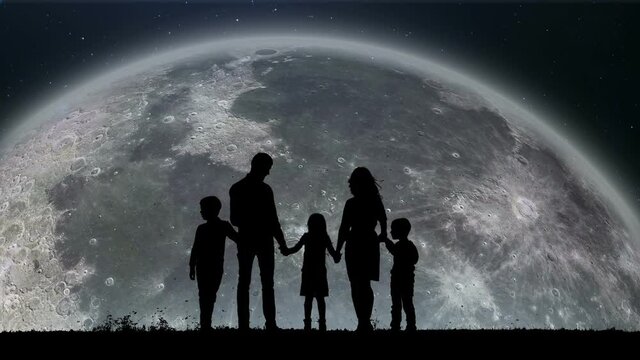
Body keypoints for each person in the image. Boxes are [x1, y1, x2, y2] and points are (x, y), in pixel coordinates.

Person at [229, 152, 287, 331]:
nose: (268, 173)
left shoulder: (237, 188)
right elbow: (273, 221)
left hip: (246, 239)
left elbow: (235, 219)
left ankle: (243, 325)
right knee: (267, 284)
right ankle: (270, 324)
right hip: (264, 241)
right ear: (260, 167)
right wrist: (282, 243)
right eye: (267, 169)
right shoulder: (265, 190)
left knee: (244, 283)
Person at [336, 167, 387, 332]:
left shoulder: (351, 203)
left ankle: (362, 321)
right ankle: (364, 321)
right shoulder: (375, 201)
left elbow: (344, 228)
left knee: (356, 284)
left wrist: (337, 249)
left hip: (355, 242)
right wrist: (382, 235)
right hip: (370, 242)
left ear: (357, 184)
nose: (350, 186)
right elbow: (383, 221)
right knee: (364, 284)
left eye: (352, 183)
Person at [189, 196, 239, 331]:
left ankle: (205, 324)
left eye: (203, 209)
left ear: (211, 209)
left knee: (206, 295)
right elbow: (195, 248)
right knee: (208, 295)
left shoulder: (218, 226)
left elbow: (195, 249)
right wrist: (191, 266)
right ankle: (205, 325)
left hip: (208, 266)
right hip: (210, 266)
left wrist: (192, 266)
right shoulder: (216, 226)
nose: (201, 212)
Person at [283, 213, 340, 331]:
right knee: (320, 298)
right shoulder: (324, 237)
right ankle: (322, 323)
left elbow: (295, 248)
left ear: (309, 224)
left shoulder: (306, 236)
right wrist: (337, 256)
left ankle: (307, 323)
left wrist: (286, 250)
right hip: (320, 271)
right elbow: (333, 253)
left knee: (308, 298)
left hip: (308, 271)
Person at [381, 218, 419, 331]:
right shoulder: (409, 245)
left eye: (393, 229)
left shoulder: (401, 246)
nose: (391, 231)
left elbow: (394, 250)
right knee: (406, 303)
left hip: (399, 279)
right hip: (406, 279)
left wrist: (386, 240)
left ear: (400, 231)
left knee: (398, 304)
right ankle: (410, 326)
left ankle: (397, 326)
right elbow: (415, 259)